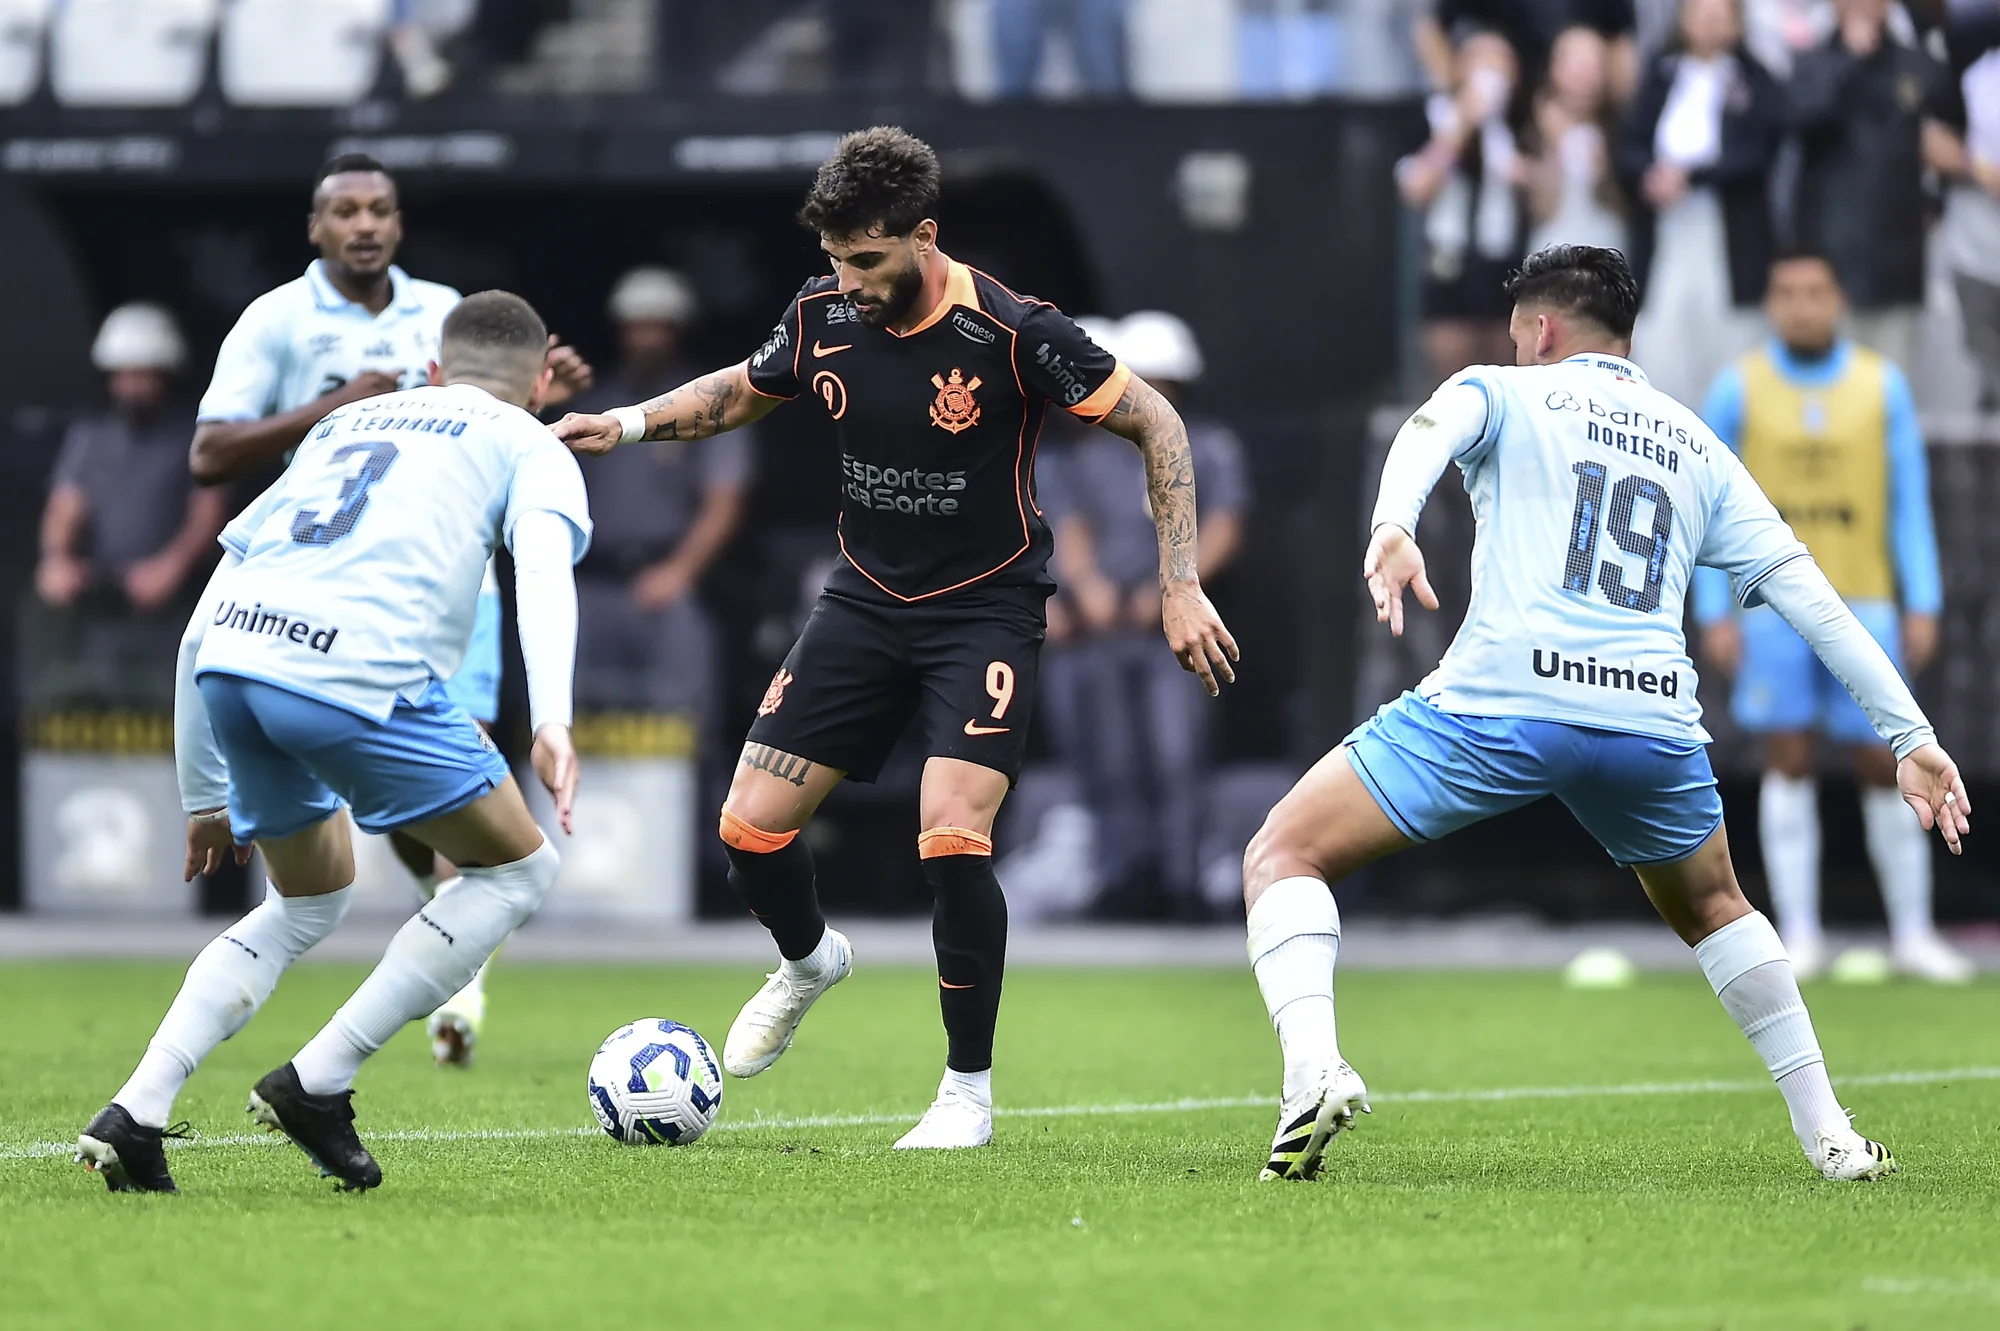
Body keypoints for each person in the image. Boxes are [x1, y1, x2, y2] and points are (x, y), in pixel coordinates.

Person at [553, 127, 1237, 1150]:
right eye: (834, 260)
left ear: (923, 236)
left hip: (984, 608)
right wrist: (634, 423)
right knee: (748, 828)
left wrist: (1177, 582)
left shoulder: (1014, 330)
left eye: (867, 261)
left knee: (950, 833)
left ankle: (965, 1091)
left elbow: (1157, 424)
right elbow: (745, 387)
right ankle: (808, 958)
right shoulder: (821, 311)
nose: (849, 282)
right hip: (863, 603)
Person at [1238, 244, 1968, 1185]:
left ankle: (1312, 1076)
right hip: (1650, 725)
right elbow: (1809, 593)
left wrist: (1393, 525)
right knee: (1716, 906)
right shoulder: (1695, 440)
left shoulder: (1502, 389)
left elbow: (1425, 430)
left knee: (1282, 853)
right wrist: (1910, 736)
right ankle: (1831, 1136)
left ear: (1540, 330)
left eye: (1517, 335)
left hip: (1504, 705)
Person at [76, 291, 591, 1194]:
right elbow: (542, 572)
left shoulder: (346, 422)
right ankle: (319, 1080)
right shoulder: (530, 441)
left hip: (235, 659)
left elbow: (211, 604)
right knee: (520, 870)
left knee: (309, 900)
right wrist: (552, 717)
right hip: (352, 675)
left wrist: (204, 791)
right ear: (544, 380)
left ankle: (139, 1107)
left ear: (435, 367)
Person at [189, 151, 591, 1068]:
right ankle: (376, 1020)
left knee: (455, 783)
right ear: (316, 228)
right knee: (421, 815)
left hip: (447, 592)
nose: (365, 225)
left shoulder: (441, 309)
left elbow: (476, 434)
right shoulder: (278, 320)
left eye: (381, 209)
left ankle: (461, 976)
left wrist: (528, 409)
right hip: (316, 586)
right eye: (346, 211)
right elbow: (209, 454)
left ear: (399, 224)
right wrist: (334, 406)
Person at [1693, 253, 1970, 983]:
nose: (1802, 306)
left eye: (1816, 292)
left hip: (1865, 600)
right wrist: (1713, 605)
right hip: (1768, 606)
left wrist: (1924, 598)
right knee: (1787, 754)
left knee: (1890, 756)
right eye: (1787, 293)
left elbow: (1908, 500)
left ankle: (1912, 932)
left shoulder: (1881, 386)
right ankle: (1802, 935)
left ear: (1839, 298)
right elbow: (1703, 503)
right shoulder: (1738, 388)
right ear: (1770, 303)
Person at [1039, 311, 1249, 918]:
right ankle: (1123, 875)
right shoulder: (1086, 455)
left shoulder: (1207, 447)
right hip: (1108, 629)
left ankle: (1182, 879)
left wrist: (1174, 591)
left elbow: (1225, 526)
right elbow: (1072, 528)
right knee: (1111, 759)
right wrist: (1091, 588)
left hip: (1175, 632)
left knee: (1177, 753)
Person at [566, 267, 752, 729]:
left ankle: (703, 805)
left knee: (685, 718)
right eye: (637, 324)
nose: (646, 337)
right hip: (590, 581)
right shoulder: (593, 400)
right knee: (576, 714)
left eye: (658, 324)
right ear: (620, 328)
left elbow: (725, 499)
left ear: (678, 329)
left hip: (667, 581)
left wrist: (680, 572)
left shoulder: (707, 401)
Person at [31, 304, 228, 706]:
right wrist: (57, 558)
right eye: (125, 374)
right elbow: (65, 505)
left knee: (173, 698)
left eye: (144, 374)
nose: (134, 385)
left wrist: (171, 567)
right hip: (101, 591)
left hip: (177, 597)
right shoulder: (90, 437)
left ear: (166, 374)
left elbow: (208, 509)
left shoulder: (194, 435)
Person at [1619, 0, 1784, 409]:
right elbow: (1629, 144)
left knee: (1731, 341)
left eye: (1720, 15)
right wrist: (1650, 175)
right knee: (1663, 335)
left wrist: (1692, 176)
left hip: (1729, 230)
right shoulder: (1661, 74)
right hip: (1667, 228)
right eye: (1701, 13)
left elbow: (1758, 152)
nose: (1710, 24)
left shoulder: (1752, 77)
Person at [1788, 0, 1955, 372]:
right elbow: (1802, 118)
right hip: (1825, 265)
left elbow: (1954, 139)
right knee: (1822, 389)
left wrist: (1933, 202)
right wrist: (1849, 58)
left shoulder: (1917, 65)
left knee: (1887, 385)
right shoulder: (1811, 62)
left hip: (1896, 261)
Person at [1398, 30, 1529, 380]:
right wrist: (1464, 123)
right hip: (1450, 260)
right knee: (1452, 371)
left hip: (1505, 260)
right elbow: (1415, 187)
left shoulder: (1521, 125)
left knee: (1506, 366)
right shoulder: (1436, 117)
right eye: (1481, 59)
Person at [1928, 0, 2000, 410]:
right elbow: (1933, 137)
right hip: (1977, 238)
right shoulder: (1971, 52)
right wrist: (1977, 168)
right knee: (1982, 364)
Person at [1523, 26, 1628, 258]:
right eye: (1578, 63)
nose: (1586, 75)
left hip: (1605, 246)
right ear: (1554, 67)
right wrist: (1555, 146)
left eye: (1594, 65)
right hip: (1549, 248)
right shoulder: (1532, 125)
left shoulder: (1618, 128)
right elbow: (1538, 207)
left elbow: (1622, 199)